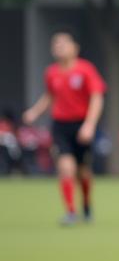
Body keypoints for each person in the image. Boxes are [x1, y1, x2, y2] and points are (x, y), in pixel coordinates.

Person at [22, 31, 105, 225]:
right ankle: (70, 211)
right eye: (56, 44)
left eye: (63, 44)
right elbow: (50, 96)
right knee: (66, 167)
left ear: (75, 48)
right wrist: (34, 112)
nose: (59, 48)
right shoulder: (51, 72)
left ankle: (86, 204)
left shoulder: (86, 70)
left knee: (83, 172)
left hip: (81, 124)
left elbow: (97, 97)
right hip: (60, 126)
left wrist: (90, 125)